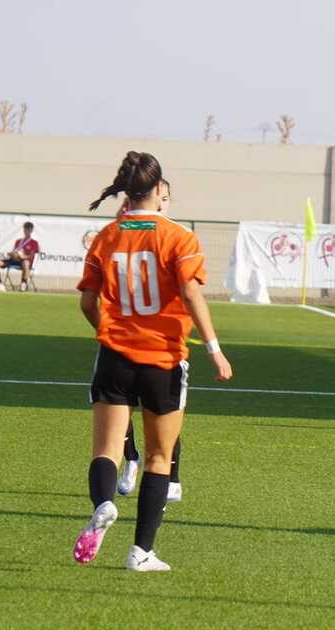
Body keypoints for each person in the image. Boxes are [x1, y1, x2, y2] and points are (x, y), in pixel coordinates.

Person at [73, 152, 232, 571]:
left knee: (106, 449)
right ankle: (141, 552)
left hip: (115, 357)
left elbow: (88, 302)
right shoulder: (180, 237)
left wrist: (108, 331)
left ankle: (105, 502)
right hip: (163, 359)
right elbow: (193, 295)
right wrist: (214, 348)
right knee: (160, 459)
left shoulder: (107, 236)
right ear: (159, 189)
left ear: (126, 191)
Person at [118, 178, 183, 502]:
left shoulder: (176, 238)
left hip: (165, 344)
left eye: (169, 198)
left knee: (167, 413)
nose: (164, 202)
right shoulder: (126, 233)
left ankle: (171, 475)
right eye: (162, 196)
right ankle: (130, 458)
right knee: (122, 410)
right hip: (126, 339)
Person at [0, 221, 39, 292]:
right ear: (24, 229)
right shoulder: (18, 241)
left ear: (31, 230)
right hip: (14, 259)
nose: (27, 230)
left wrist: (23, 257)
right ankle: (0, 284)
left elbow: (31, 256)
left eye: (29, 229)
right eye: (26, 228)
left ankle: (24, 283)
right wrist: (12, 254)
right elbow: (14, 251)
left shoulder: (34, 243)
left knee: (26, 263)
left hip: (24, 261)